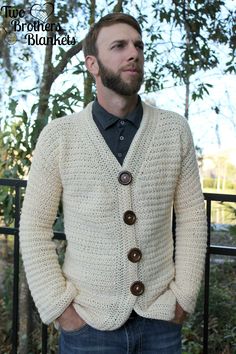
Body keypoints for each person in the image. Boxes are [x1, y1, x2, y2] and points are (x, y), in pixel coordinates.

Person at [20, 13, 207, 354]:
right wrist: (62, 310)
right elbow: (33, 228)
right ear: (92, 64)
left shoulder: (174, 130)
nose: (132, 53)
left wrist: (184, 297)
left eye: (138, 46)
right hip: (88, 326)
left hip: (161, 322)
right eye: (119, 46)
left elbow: (194, 216)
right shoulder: (60, 137)